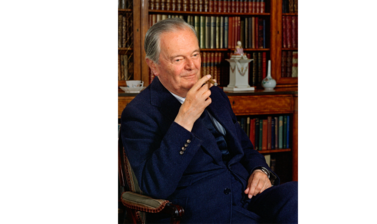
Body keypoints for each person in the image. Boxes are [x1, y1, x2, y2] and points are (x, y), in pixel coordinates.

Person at [121, 18, 300, 224]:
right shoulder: (139, 112)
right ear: (154, 66)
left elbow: (245, 148)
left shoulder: (215, 94)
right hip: (204, 209)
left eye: (195, 54)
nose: (192, 66)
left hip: (249, 196)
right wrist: (185, 119)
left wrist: (260, 170)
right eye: (178, 59)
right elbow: (155, 185)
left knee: (296, 195)